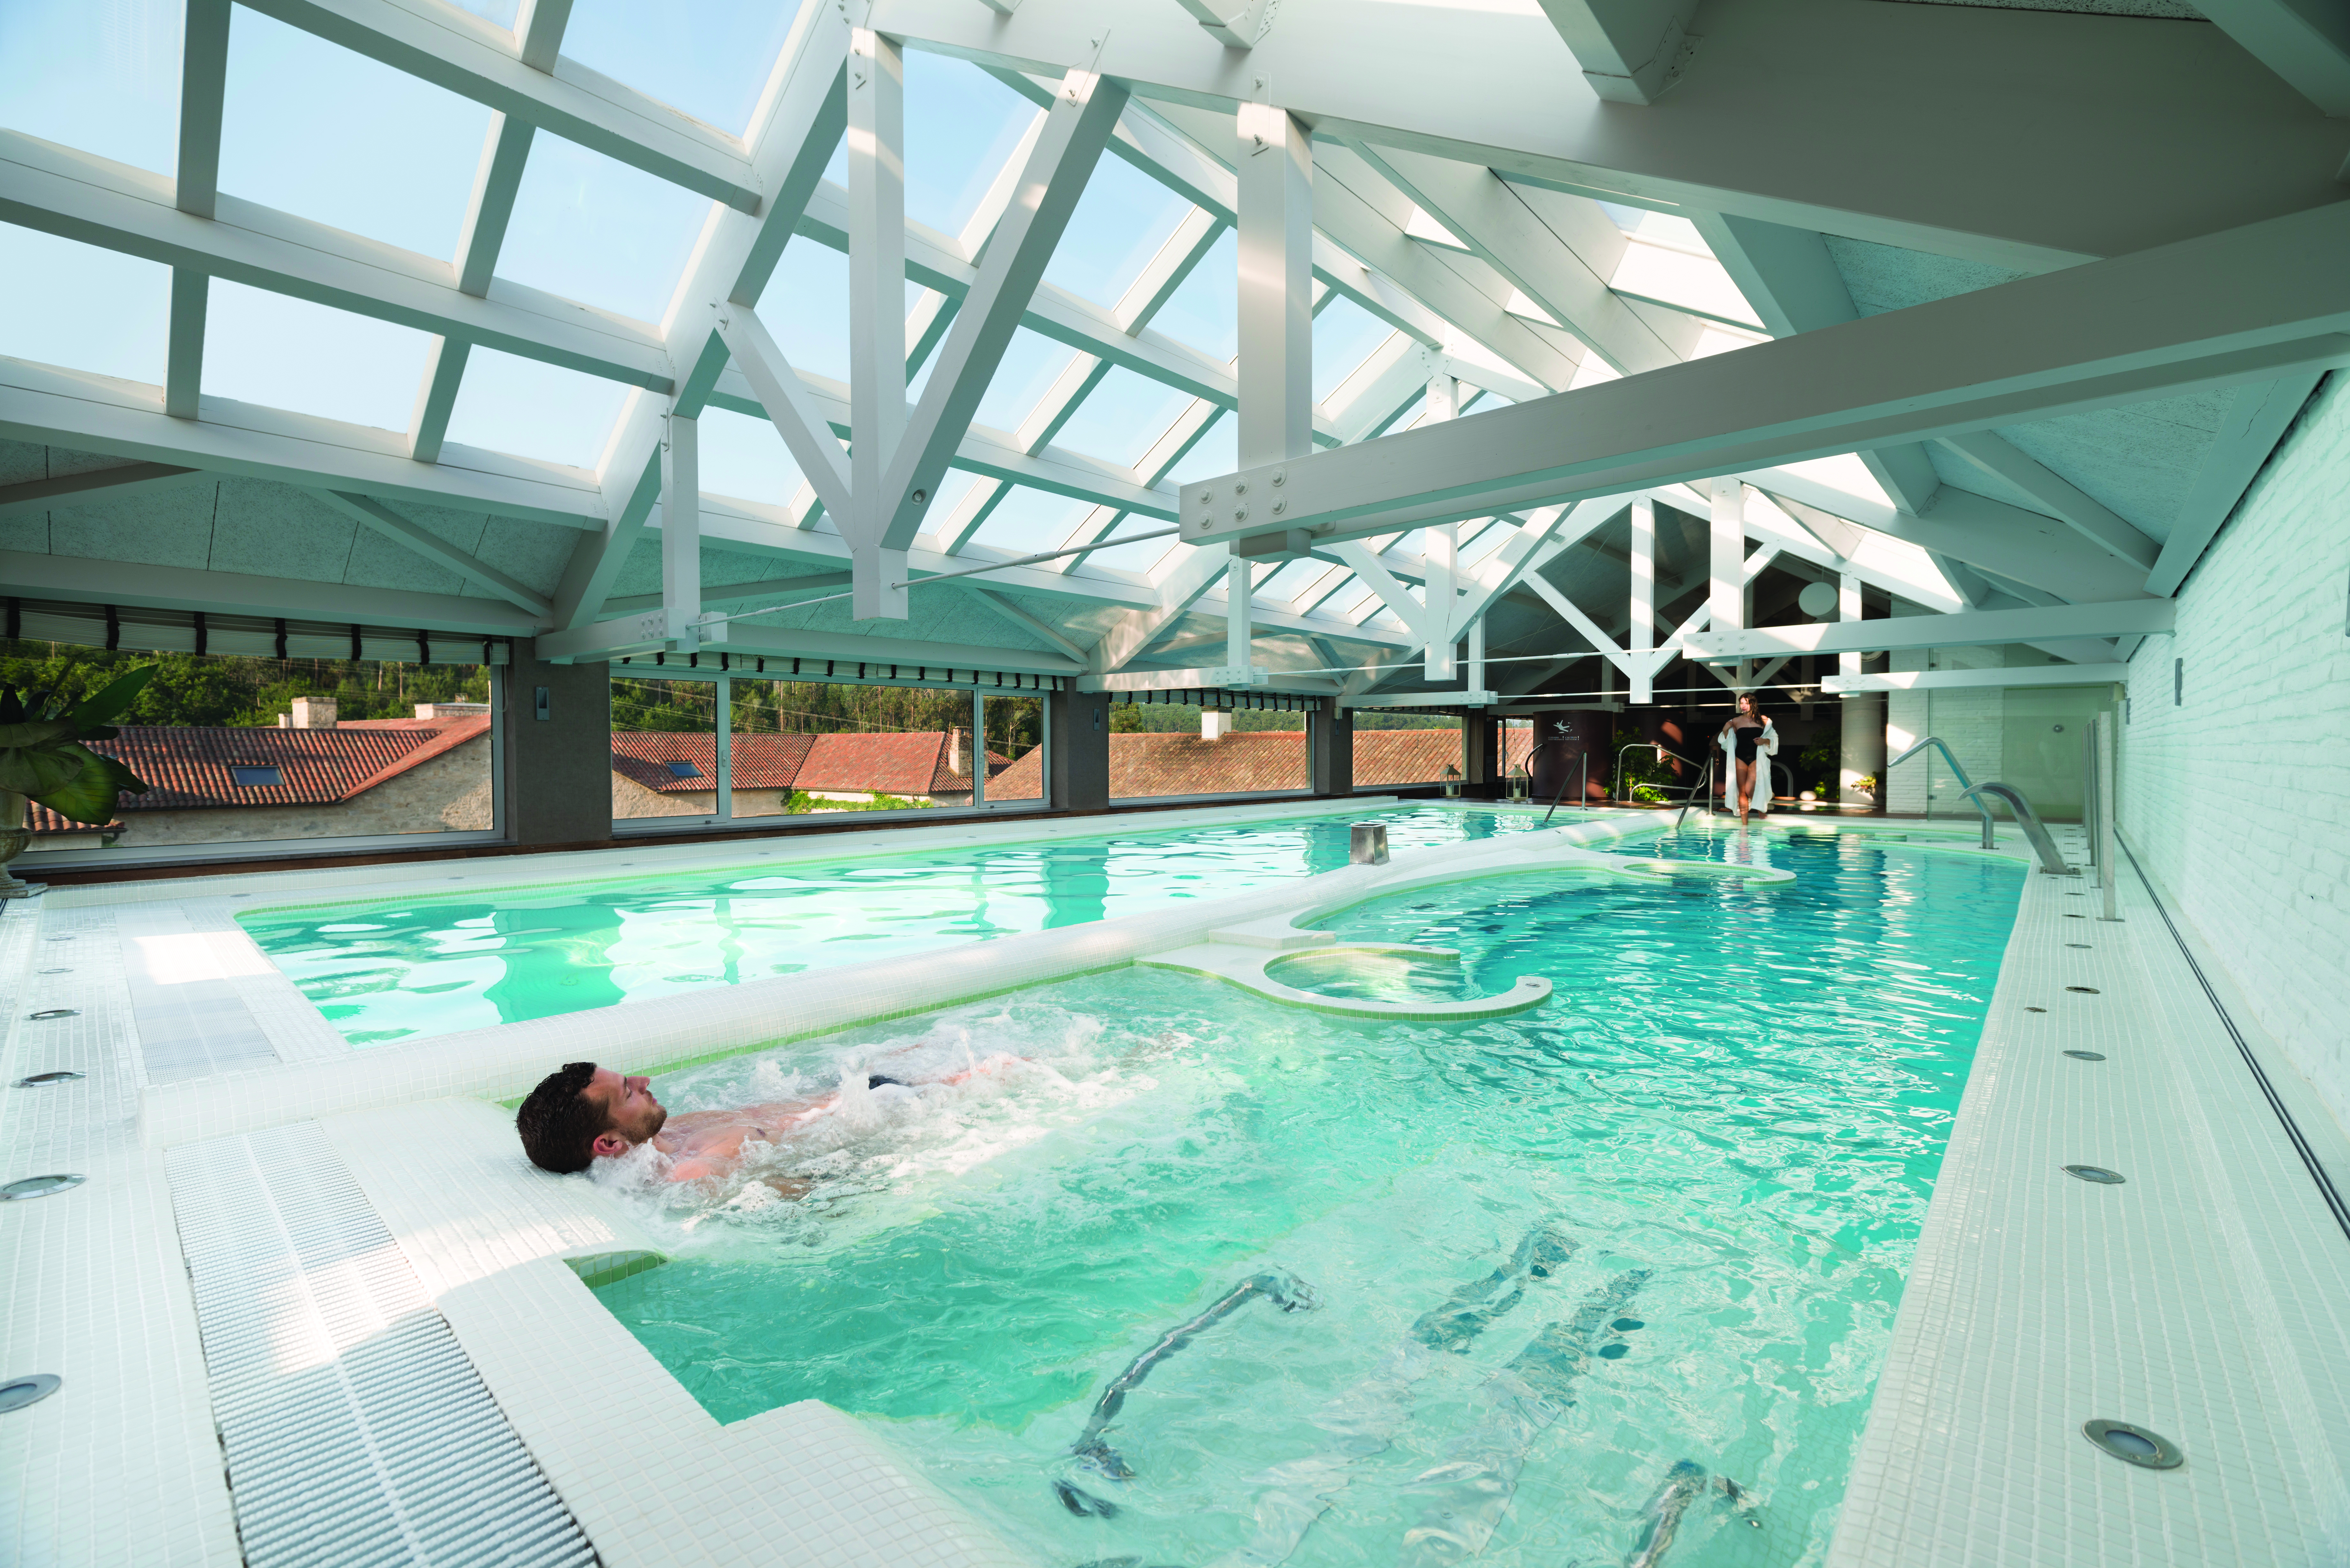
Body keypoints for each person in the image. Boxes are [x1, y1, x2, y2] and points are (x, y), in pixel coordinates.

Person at [515, 1055, 1012, 1186]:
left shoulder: (664, 1133)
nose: (643, 1080)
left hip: (862, 1093)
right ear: (607, 1145)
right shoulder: (695, 1172)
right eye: (628, 1092)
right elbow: (812, 1191)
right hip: (893, 1111)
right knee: (1009, 1069)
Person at [1717, 693, 1777, 825]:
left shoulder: (1764, 721)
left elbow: (1774, 738)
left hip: (1757, 757)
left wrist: (1764, 741)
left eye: (1746, 703)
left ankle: (1761, 808)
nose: (1743, 706)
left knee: (1750, 789)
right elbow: (1728, 742)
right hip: (1740, 757)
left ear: (1753, 704)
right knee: (1742, 790)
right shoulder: (1736, 721)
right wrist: (1725, 730)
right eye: (1741, 703)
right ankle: (1745, 825)